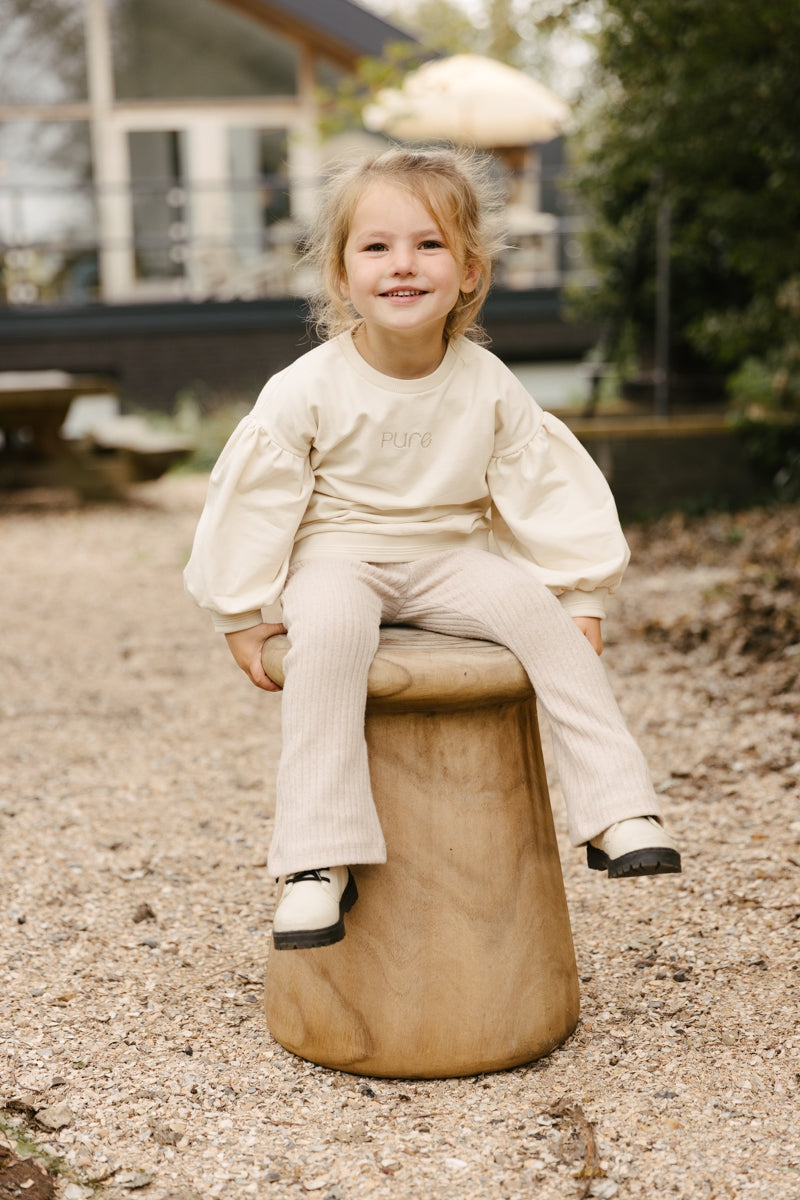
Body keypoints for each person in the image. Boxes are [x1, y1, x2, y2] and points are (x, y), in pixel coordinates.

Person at [184, 146, 681, 951]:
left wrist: (580, 595)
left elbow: (545, 485)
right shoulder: (307, 387)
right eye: (376, 247)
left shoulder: (486, 382)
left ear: (471, 270)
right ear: (342, 276)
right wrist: (240, 613)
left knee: (539, 616)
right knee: (331, 638)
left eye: (428, 244)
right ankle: (315, 864)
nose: (402, 265)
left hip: (452, 557)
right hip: (339, 558)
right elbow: (254, 500)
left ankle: (616, 809)